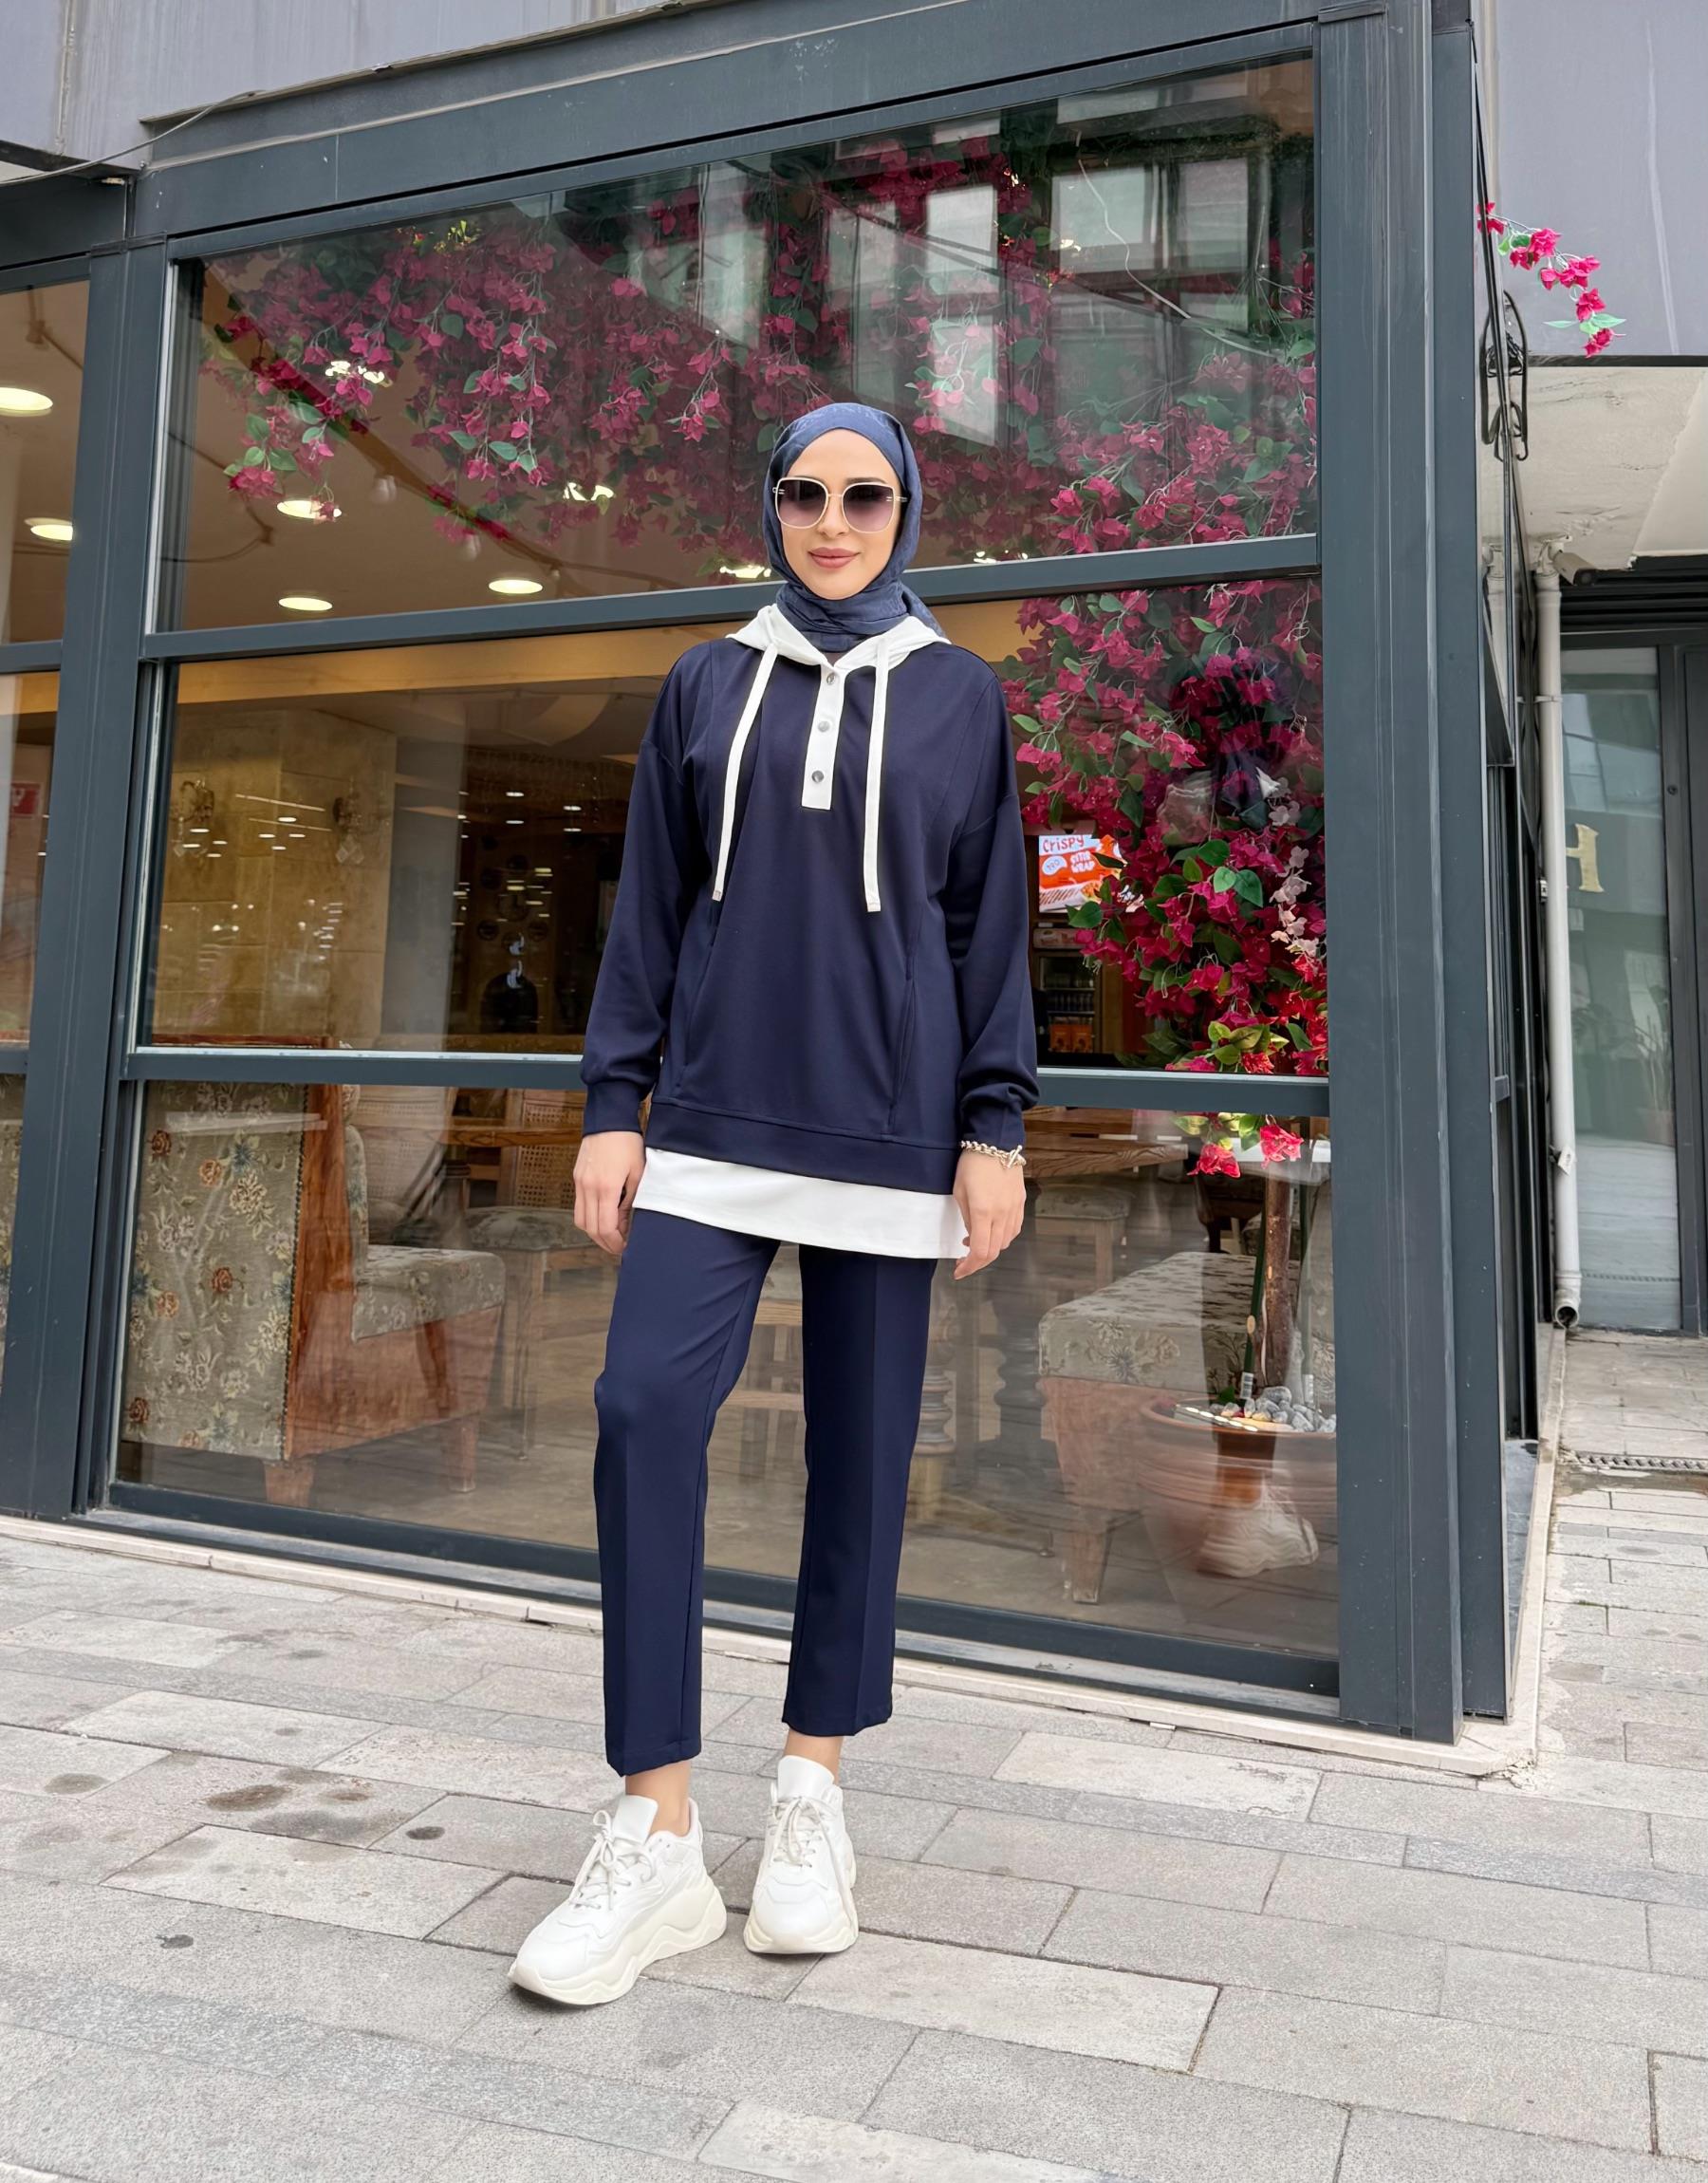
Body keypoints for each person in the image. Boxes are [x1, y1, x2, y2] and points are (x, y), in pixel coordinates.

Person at [508, 400, 1038, 2008]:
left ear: (907, 510)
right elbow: (651, 915)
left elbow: (989, 926)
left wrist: (994, 1128)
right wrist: (615, 1106)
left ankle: (813, 1791)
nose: (833, 522)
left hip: (892, 1129)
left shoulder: (960, 697)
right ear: (772, 507)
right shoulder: (704, 681)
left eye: (865, 496)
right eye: (806, 493)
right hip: (714, 1123)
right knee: (640, 1411)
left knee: (861, 1461)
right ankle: (657, 1827)